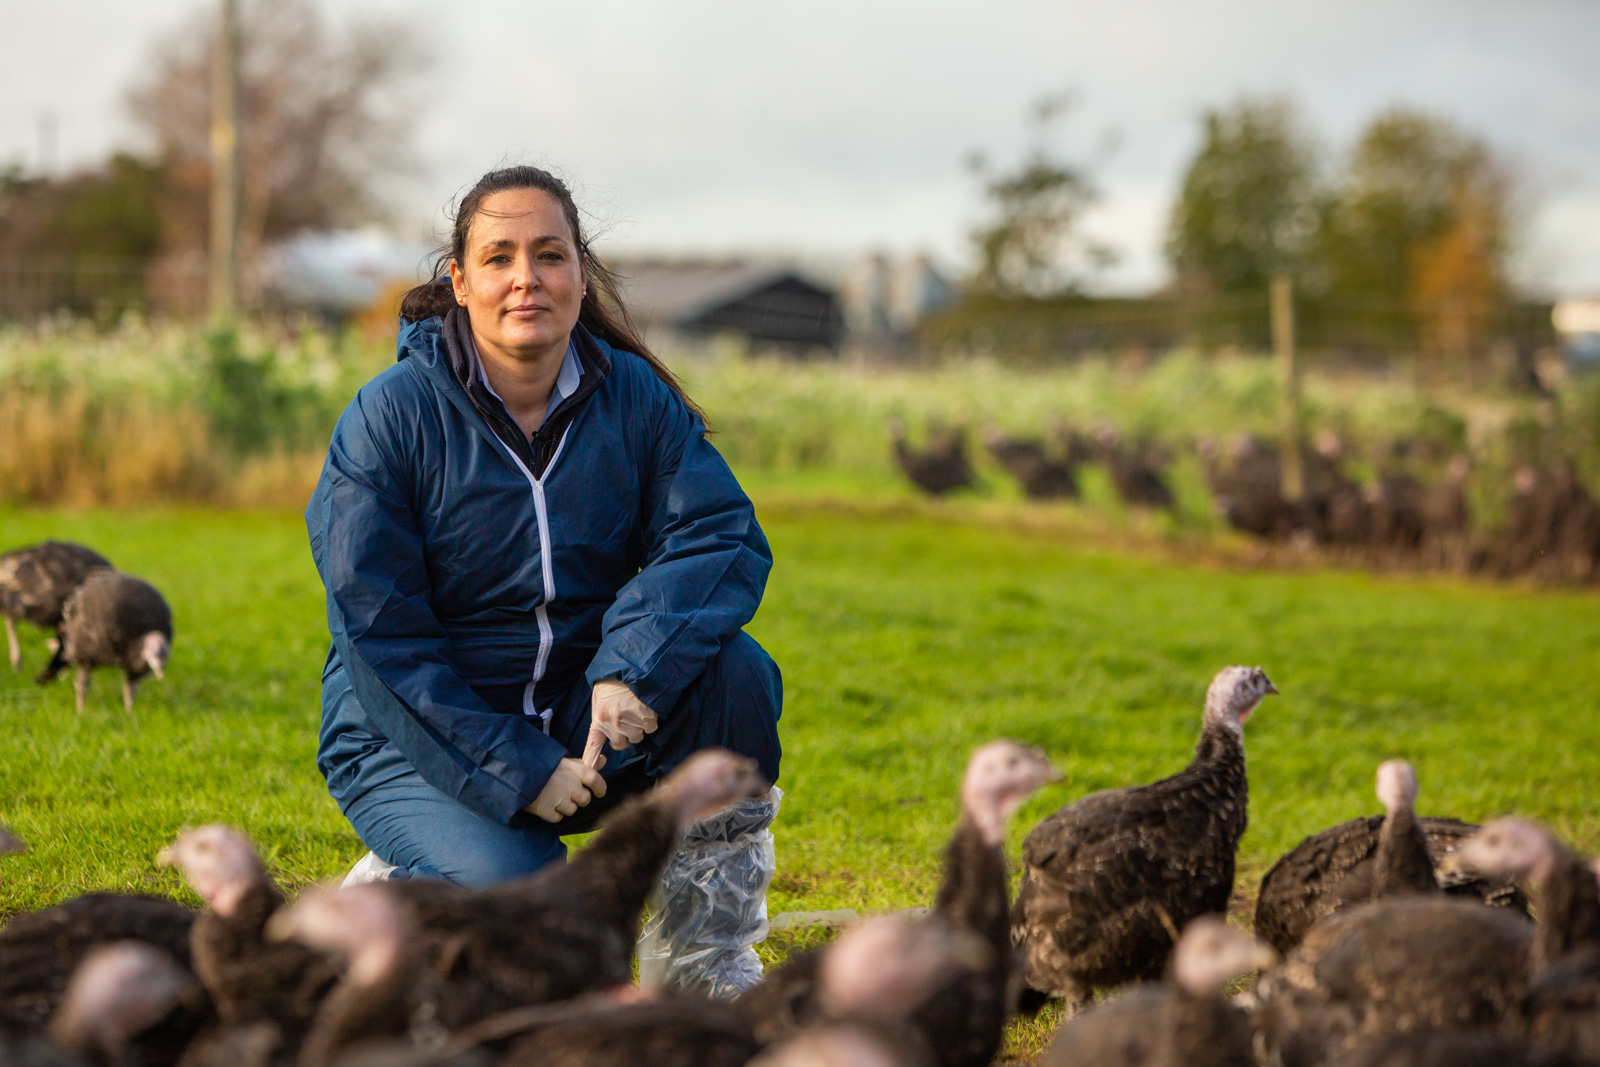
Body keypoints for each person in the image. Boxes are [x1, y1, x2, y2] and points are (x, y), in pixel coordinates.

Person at [304, 165, 782, 996]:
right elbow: (380, 636)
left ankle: (704, 972)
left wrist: (631, 668)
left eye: (550, 254)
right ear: (460, 281)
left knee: (736, 677)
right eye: (499, 257)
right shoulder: (390, 419)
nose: (527, 277)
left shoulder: (633, 397)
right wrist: (519, 770)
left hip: (583, 714)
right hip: (412, 733)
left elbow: (718, 533)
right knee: (532, 907)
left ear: (579, 272)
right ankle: (395, 892)